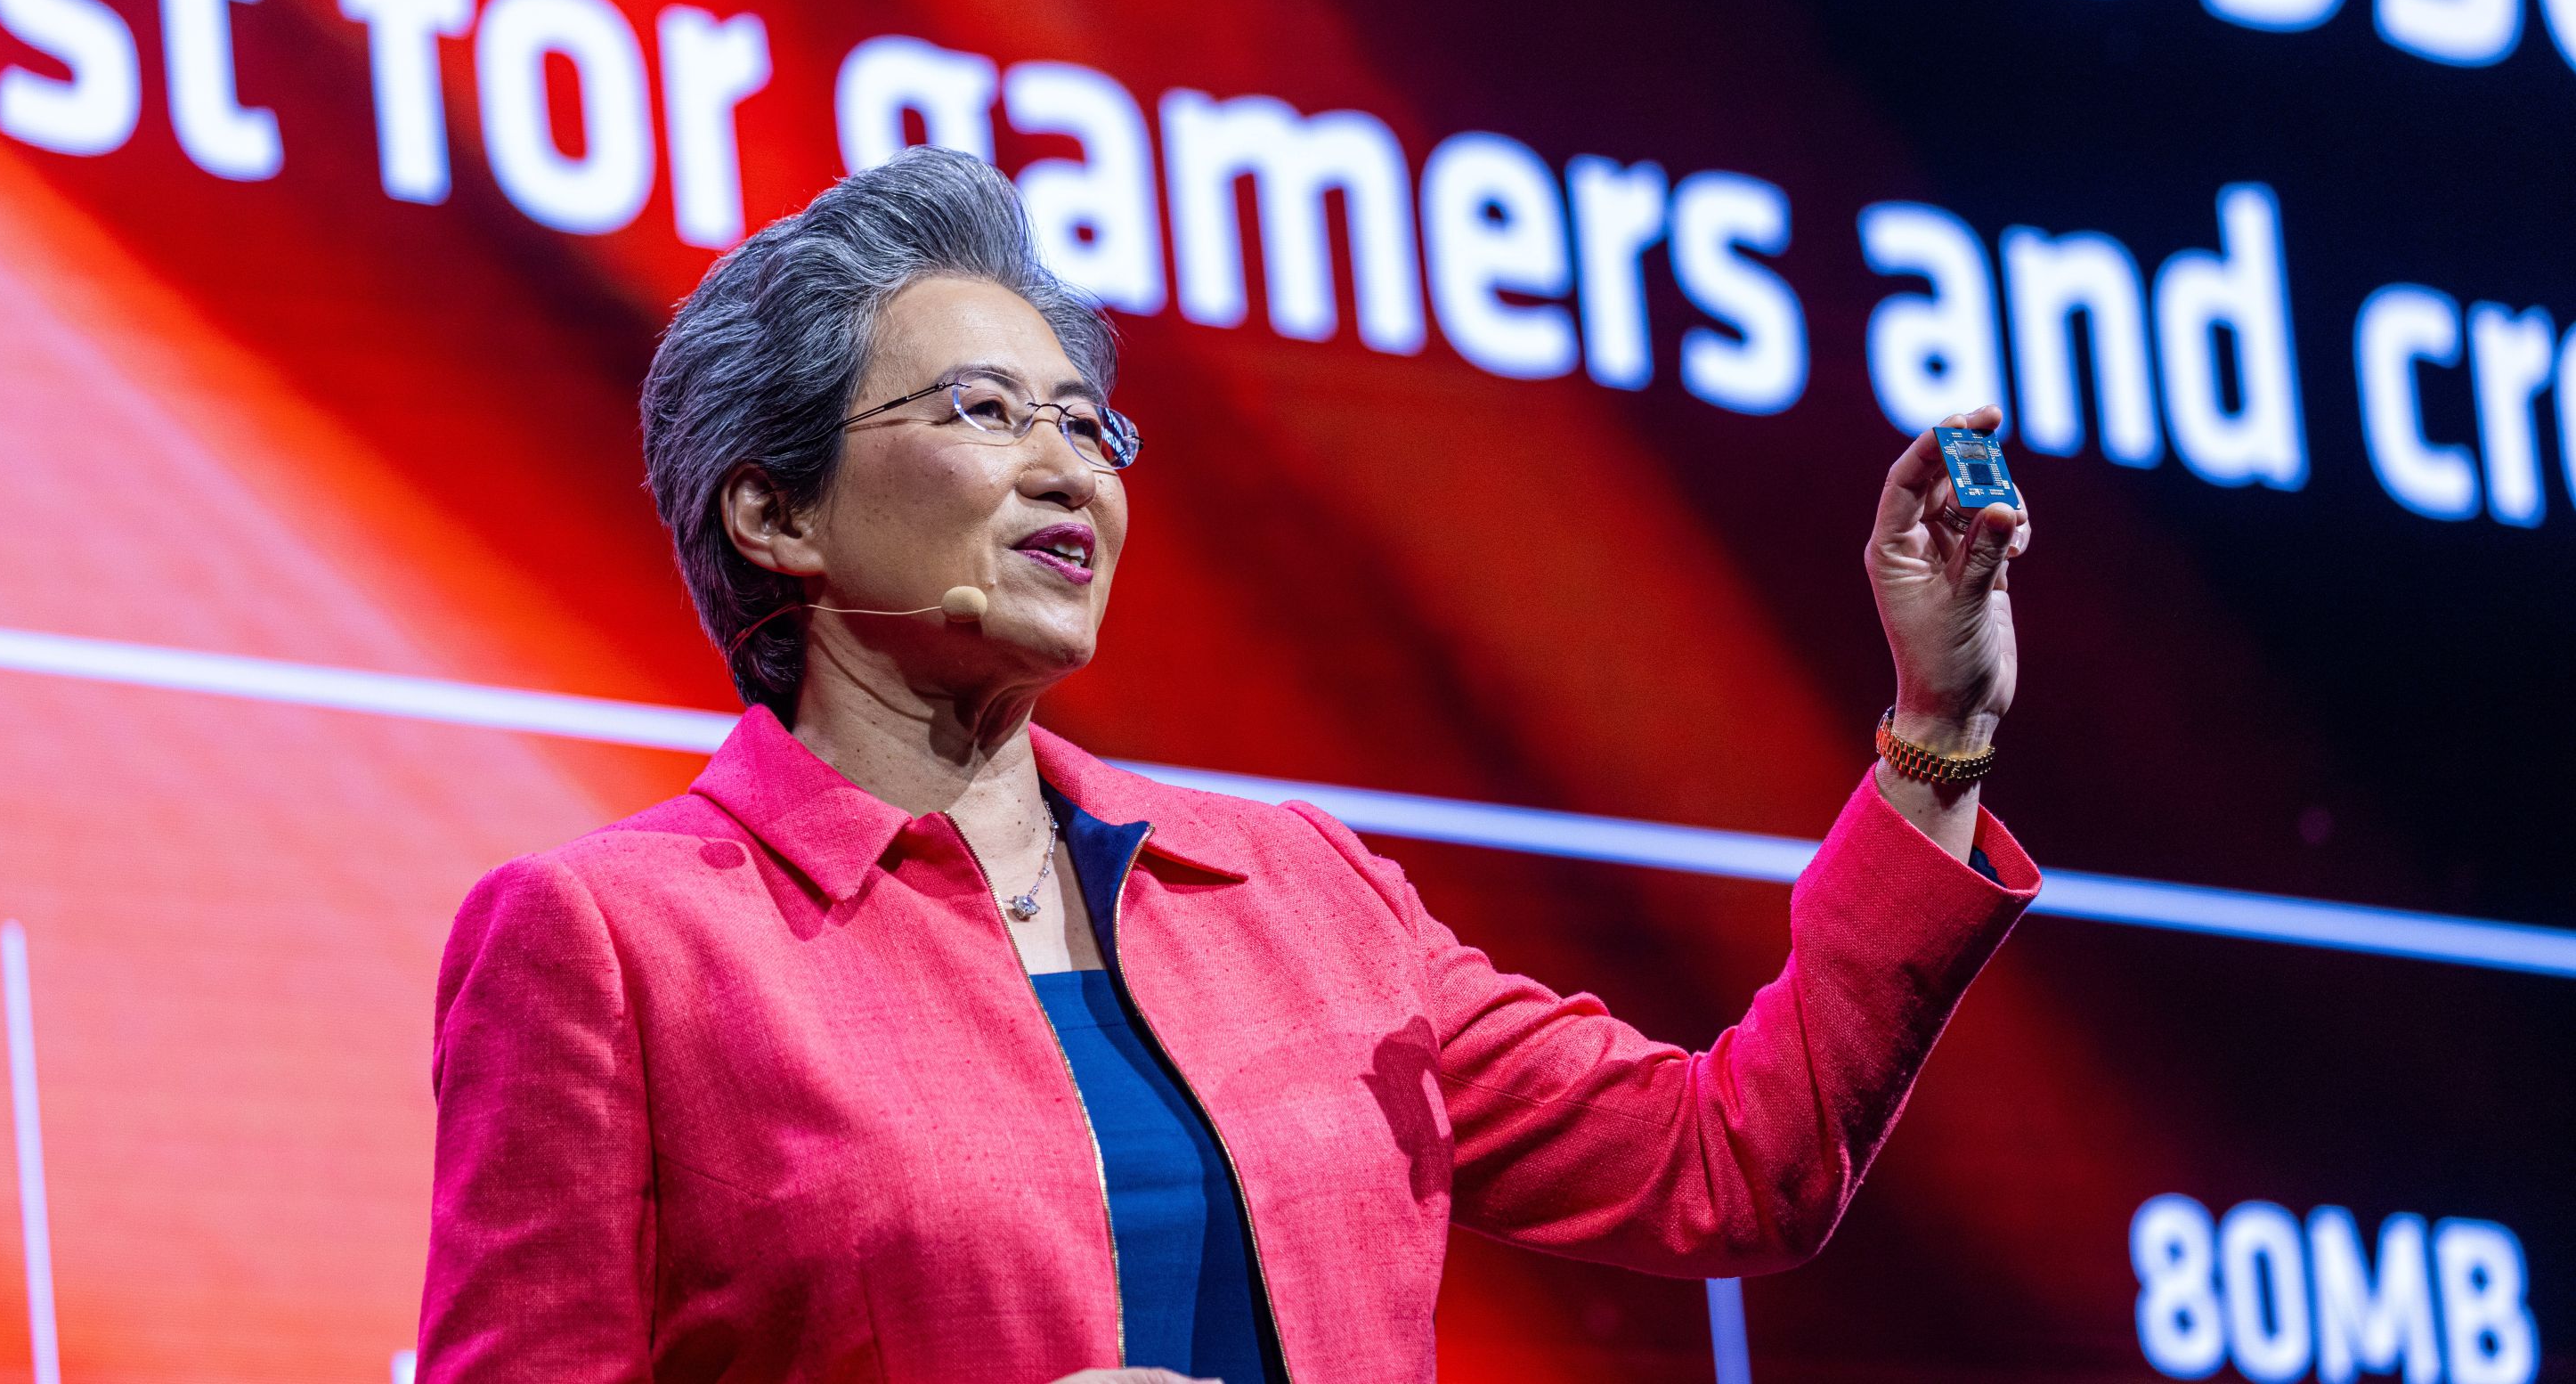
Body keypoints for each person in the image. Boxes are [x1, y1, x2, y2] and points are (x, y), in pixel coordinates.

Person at [416, 147, 2041, 1384]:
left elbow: (1736, 1167)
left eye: (1089, 424)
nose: (1068, 464)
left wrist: (1941, 722)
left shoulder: (1295, 894)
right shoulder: (612, 946)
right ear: (772, 513)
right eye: (987, 410)